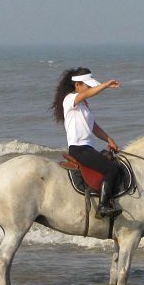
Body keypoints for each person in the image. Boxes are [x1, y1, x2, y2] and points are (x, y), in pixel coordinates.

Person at [51, 67, 121, 217]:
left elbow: (94, 127)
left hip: (88, 148)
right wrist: (106, 85)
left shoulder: (84, 106)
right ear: (77, 85)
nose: (90, 89)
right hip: (79, 148)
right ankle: (102, 206)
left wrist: (109, 140)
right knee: (112, 169)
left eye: (90, 86)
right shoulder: (70, 99)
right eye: (87, 85)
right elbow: (89, 93)